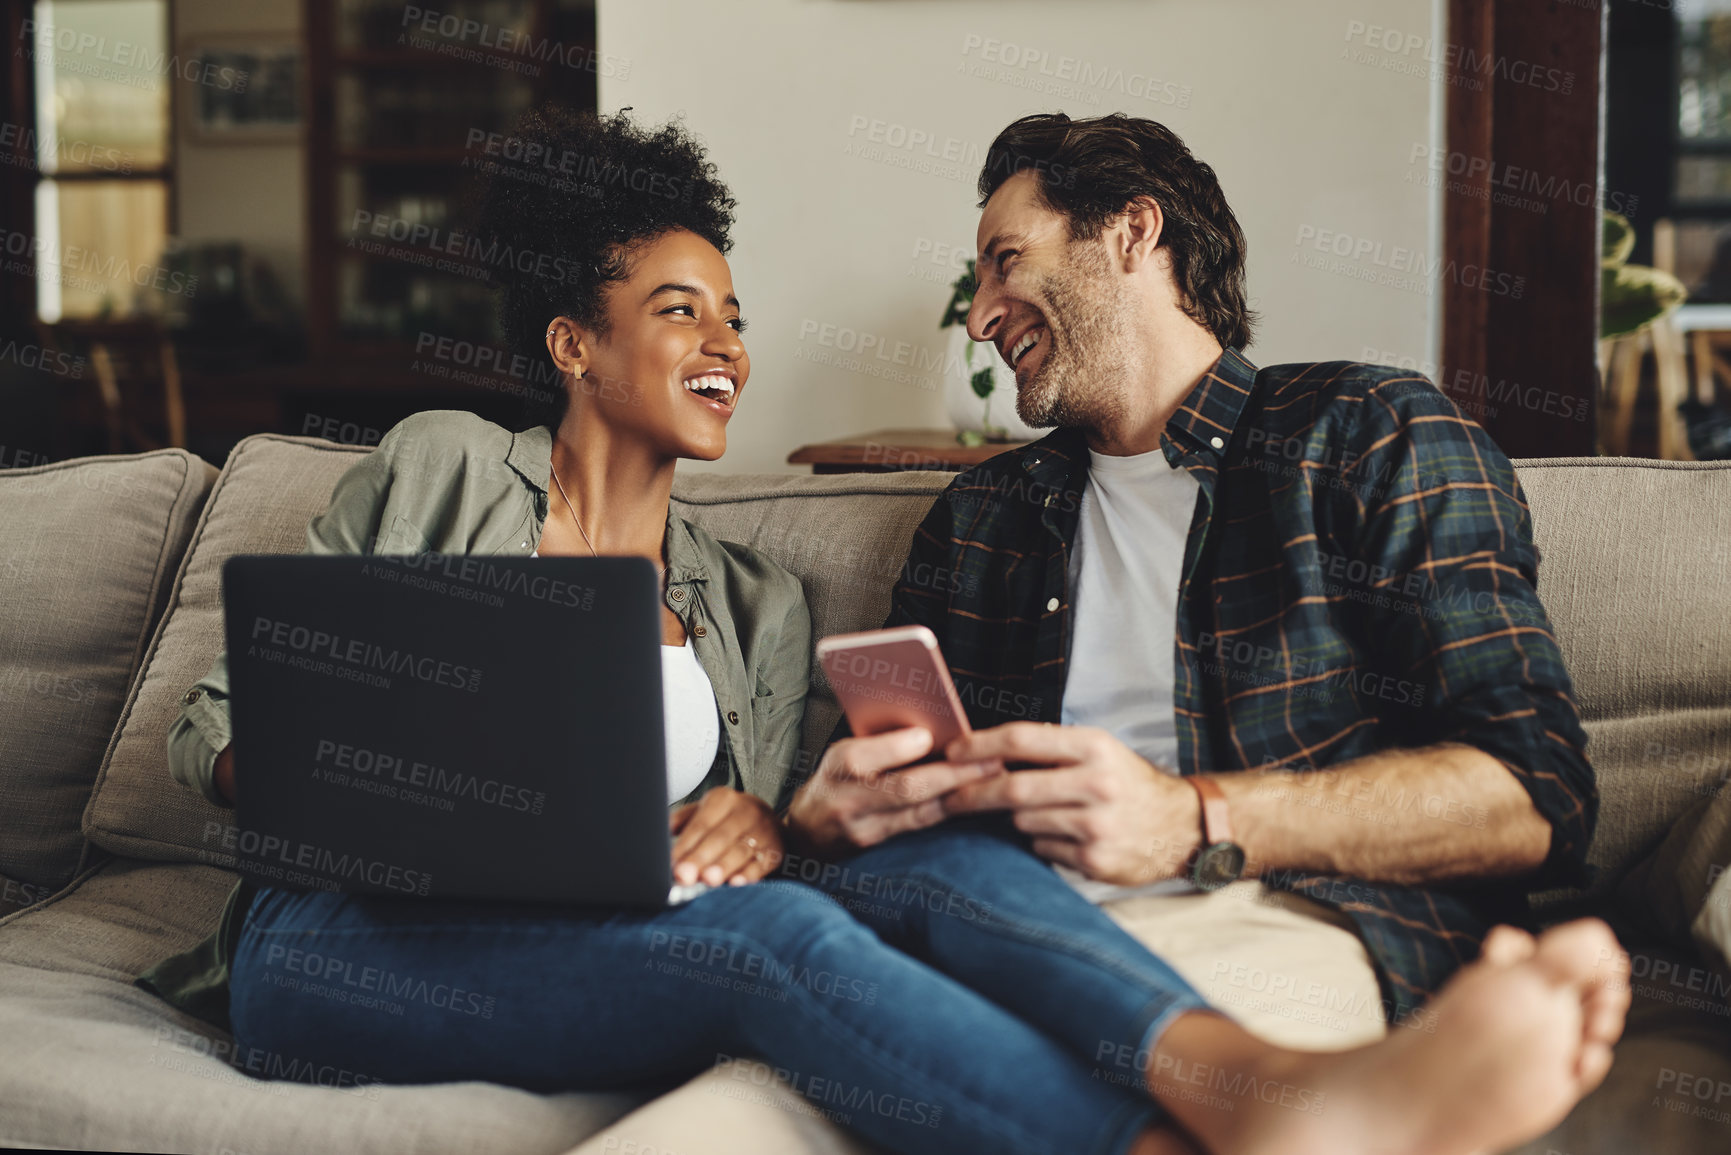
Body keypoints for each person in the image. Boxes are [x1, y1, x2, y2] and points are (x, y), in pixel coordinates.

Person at [137, 105, 1627, 1155]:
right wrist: (418, 780)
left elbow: (828, 838)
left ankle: (1265, 1099)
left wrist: (775, 815)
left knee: (890, 871)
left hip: (610, 939)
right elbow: (215, 733)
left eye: (999, 262)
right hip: (345, 931)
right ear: (572, 343)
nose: (727, 346)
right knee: (801, 923)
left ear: (1132, 232)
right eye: (679, 311)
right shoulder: (448, 466)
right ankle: (1257, 1117)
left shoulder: (755, 600)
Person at [782, 111, 1635, 1154]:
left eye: (1007, 261)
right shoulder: (981, 518)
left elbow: (1537, 798)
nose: (980, 317)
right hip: (993, 929)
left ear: (1133, 233)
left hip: (1280, 921)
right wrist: (826, 815)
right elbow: (861, 790)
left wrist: (1192, 819)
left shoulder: (1370, 433)